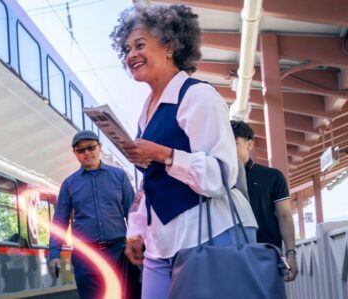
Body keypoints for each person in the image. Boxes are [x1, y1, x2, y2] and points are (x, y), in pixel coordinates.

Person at [109, 4, 259, 298]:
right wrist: (137, 228)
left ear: (169, 46)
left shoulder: (198, 96)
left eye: (140, 45)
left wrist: (164, 154)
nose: (131, 55)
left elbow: (221, 176)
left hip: (210, 235)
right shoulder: (146, 112)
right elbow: (151, 183)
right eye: (127, 49)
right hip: (162, 242)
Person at [48, 131, 140, 298]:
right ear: (75, 153)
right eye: (81, 150)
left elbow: (134, 215)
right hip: (85, 258)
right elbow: (60, 221)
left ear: (100, 148)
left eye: (91, 147)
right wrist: (54, 254)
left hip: (118, 253)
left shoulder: (119, 176)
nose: (87, 153)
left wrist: (140, 243)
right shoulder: (69, 184)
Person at [231, 120, 299, 281]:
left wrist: (291, 254)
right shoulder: (214, 179)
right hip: (230, 256)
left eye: (234, 143)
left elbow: (285, 216)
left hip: (267, 253)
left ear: (249, 144)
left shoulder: (272, 176)